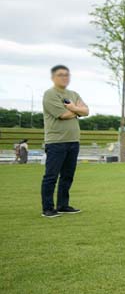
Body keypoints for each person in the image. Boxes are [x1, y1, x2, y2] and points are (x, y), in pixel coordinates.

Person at [40, 65, 88, 218]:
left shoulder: (73, 94)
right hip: (56, 142)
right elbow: (63, 114)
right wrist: (76, 110)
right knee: (51, 176)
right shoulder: (50, 94)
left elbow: (86, 111)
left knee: (68, 175)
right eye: (61, 75)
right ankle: (47, 208)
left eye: (67, 75)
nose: (64, 77)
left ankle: (63, 205)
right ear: (53, 77)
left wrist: (74, 108)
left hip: (73, 141)